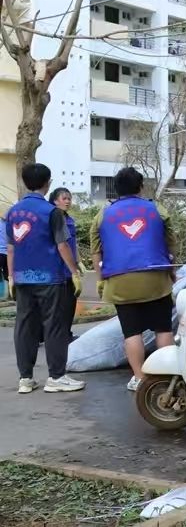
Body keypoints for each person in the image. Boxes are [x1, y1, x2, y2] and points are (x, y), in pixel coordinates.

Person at [91, 167, 175, 392]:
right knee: (163, 329)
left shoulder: (103, 214)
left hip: (120, 281)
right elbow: (170, 242)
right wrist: (171, 270)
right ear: (141, 187)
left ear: (116, 189)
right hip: (155, 277)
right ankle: (166, 377)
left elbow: (96, 251)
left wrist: (101, 279)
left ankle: (139, 378)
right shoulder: (156, 208)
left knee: (131, 332)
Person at [7, 163, 85, 394]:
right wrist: (74, 271)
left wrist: (11, 276)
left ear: (25, 182)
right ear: (47, 183)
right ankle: (56, 377)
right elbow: (62, 245)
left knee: (24, 326)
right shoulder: (52, 212)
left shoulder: (13, 212)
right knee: (54, 326)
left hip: (22, 277)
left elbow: (10, 248)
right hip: (50, 278)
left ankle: (25, 378)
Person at [48, 188, 79, 341]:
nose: (67, 201)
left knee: (70, 303)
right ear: (55, 201)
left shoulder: (69, 219)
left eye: (69, 198)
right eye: (64, 198)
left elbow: (73, 243)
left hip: (70, 267)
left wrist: (78, 262)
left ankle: (66, 333)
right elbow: (61, 245)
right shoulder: (52, 217)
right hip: (58, 269)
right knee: (61, 306)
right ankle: (59, 336)